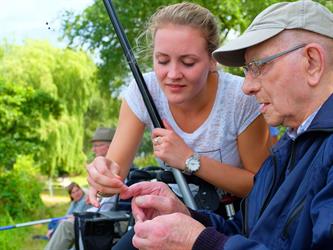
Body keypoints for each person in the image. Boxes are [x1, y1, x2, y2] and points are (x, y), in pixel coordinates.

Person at [114, 0, 333, 249]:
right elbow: (247, 231)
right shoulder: (288, 150)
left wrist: (197, 241)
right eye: (246, 70)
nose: (246, 86)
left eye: (258, 67)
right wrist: (187, 216)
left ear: (312, 62)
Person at [87, 2, 270, 206]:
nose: (173, 75)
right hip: (173, 212)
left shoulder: (241, 97)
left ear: (212, 61)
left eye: (188, 62)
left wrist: (189, 160)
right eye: (163, 61)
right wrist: (102, 176)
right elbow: (115, 172)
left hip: (235, 219)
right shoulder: (143, 90)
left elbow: (261, 185)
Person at [45, 127, 116, 250]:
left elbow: (108, 205)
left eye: (97, 145)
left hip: (104, 218)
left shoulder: (115, 169)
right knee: (68, 224)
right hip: (98, 215)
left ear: (109, 146)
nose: (93, 149)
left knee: (67, 225)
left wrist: (82, 215)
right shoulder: (106, 167)